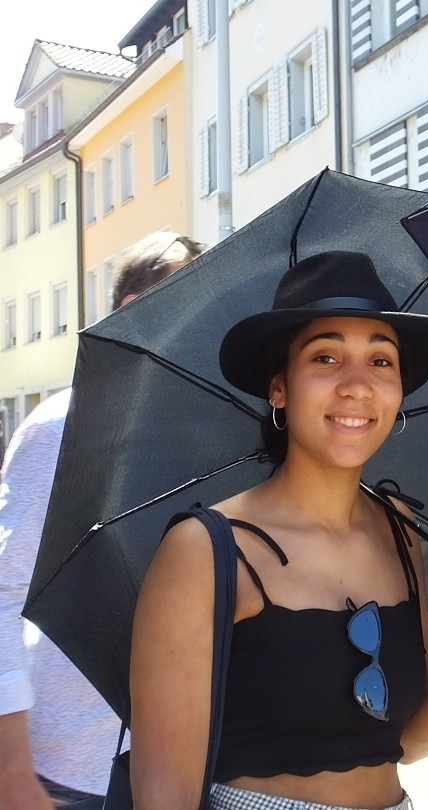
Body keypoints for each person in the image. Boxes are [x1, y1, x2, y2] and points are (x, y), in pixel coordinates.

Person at [129, 250, 428, 810]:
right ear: (279, 388)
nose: (357, 385)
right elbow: (164, 796)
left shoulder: (398, 527)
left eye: (381, 361)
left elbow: (402, 742)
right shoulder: (207, 550)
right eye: (325, 357)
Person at [0, 231, 206, 809]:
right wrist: (12, 774)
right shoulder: (62, 428)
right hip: (72, 772)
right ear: (126, 315)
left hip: (192, 769)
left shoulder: (226, 437)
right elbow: (2, 593)